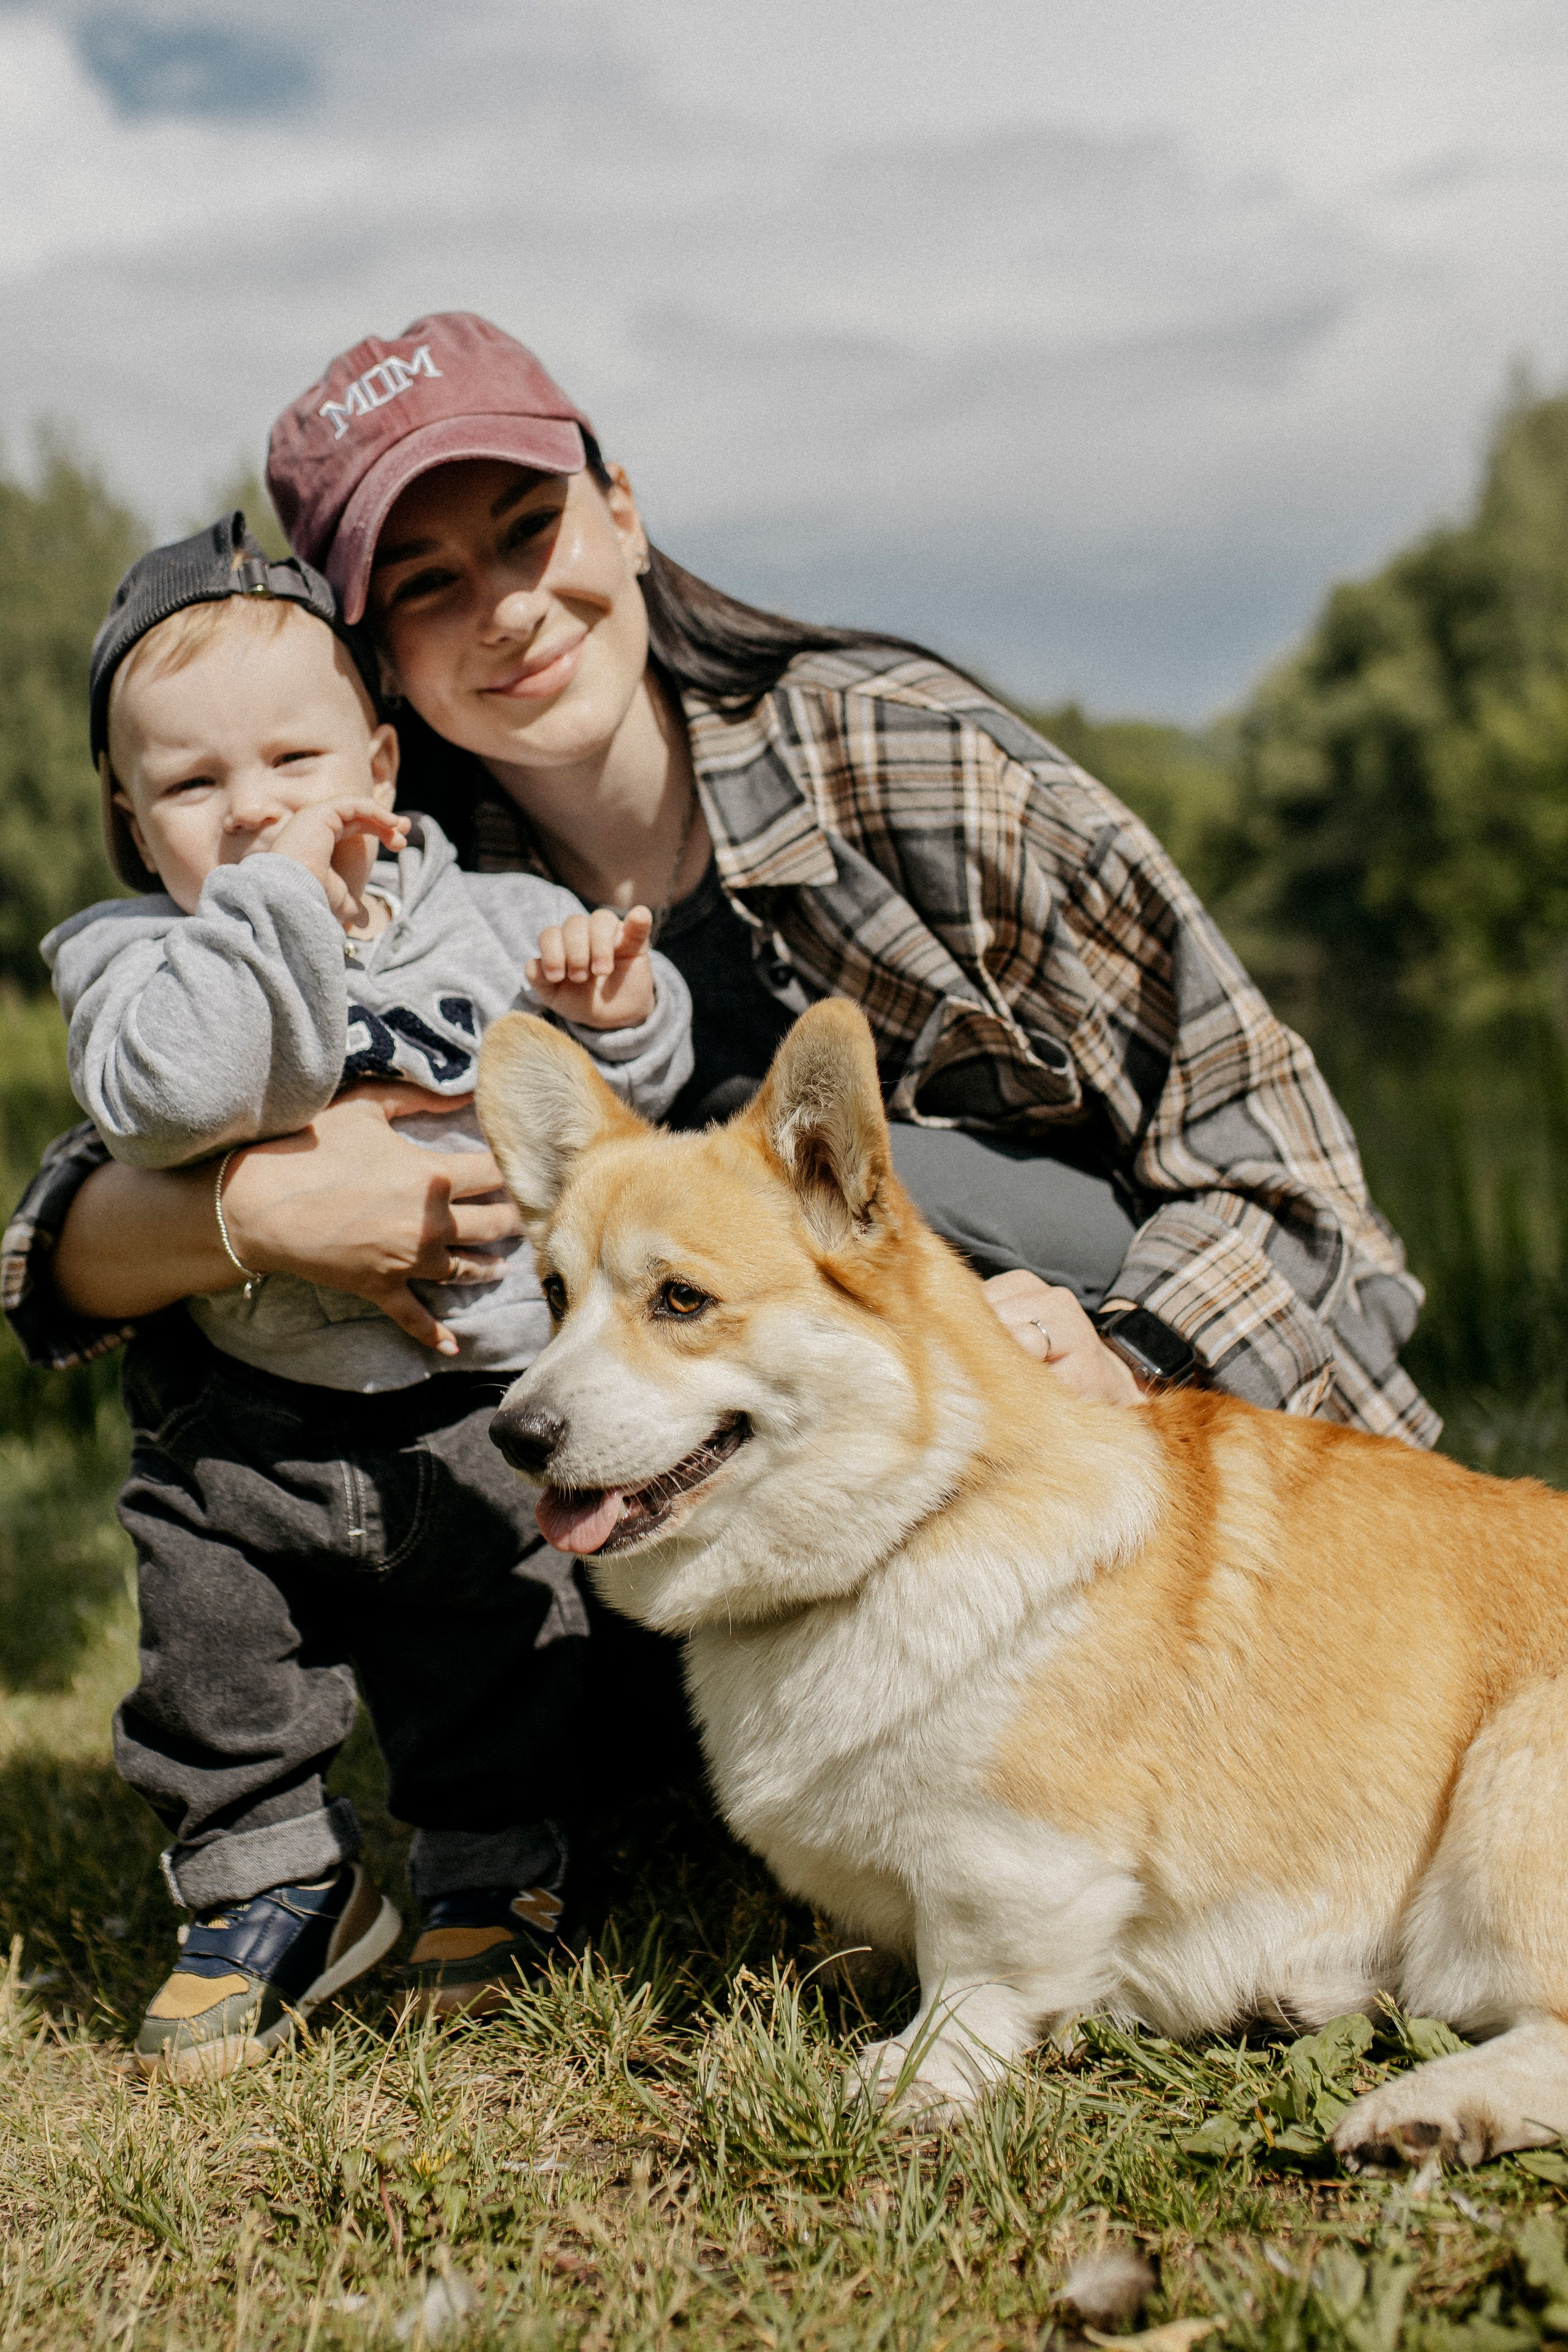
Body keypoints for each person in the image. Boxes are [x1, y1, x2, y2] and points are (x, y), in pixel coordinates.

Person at [4, 309, 1436, 2025]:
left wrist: (1130, 1349)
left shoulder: (905, 755)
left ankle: (1119, 1750)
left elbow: (1305, 1195)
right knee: (244, 1235)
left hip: (1071, 1411)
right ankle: (570, 1784)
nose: (510, 608)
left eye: (530, 533)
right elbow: (68, 1236)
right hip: (708, 1449)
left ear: (622, 506)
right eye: (430, 587)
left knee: (897, 1199)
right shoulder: (397, 876)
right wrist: (259, 1209)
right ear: (376, 668)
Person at [40, 510, 693, 2077]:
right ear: (133, 823)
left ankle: (492, 1874)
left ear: (381, 775)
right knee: (217, 1667)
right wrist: (274, 907)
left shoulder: (485, 917)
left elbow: (624, 1095)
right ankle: (271, 1888)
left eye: (292, 766)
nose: (252, 811)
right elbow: (175, 1102)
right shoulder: (131, 957)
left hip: (480, 1398)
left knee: (499, 1652)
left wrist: (621, 1006)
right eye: (194, 788)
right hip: (240, 1423)